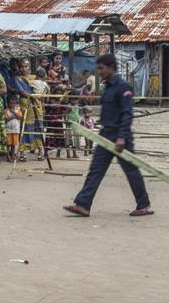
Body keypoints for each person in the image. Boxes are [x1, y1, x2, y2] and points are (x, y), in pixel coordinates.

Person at [63, 54, 152, 218]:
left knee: (131, 171)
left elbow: (127, 114)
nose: (99, 72)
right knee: (95, 170)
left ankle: (143, 204)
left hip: (120, 137)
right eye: (98, 68)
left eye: (102, 68)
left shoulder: (123, 87)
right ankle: (83, 205)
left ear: (112, 68)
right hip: (105, 135)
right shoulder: (107, 87)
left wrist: (122, 137)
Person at [12, 59, 44, 161]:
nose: (24, 69)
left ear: (29, 67)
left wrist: (38, 96)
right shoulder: (17, 79)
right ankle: (22, 153)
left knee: (38, 126)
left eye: (26, 66)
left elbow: (41, 88)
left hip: (36, 105)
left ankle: (41, 151)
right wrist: (34, 96)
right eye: (21, 66)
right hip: (26, 104)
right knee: (25, 127)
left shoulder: (34, 77)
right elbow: (22, 91)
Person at [45, 85, 68, 158]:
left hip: (59, 122)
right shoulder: (49, 101)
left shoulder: (62, 102)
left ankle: (58, 153)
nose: (58, 94)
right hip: (50, 121)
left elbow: (66, 111)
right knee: (49, 136)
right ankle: (46, 152)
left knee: (59, 137)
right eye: (57, 93)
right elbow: (46, 110)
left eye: (60, 93)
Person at [5, 96, 22, 163]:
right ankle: (8, 157)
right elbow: (5, 119)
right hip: (8, 130)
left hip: (15, 130)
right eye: (11, 103)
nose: (12, 105)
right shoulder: (6, 110)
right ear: (8, 104)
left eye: (14, 103)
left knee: (13, 145)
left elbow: (20, 116)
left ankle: (12, 156)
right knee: (8, 144)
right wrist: (12, 117)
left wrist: (14, 112)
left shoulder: (17, 110)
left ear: (16, 104)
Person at [66, 94, 81, 159]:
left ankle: (74, 153)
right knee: (68, 140)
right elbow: (65, 115)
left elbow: (77, 115)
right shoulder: (69, 106)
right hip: (69, 125)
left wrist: (78, 122)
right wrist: (66, 120)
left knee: (75, 140)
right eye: (73, 99)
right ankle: (68, 154)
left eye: (76, 99)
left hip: (75, 125)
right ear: (70, 99)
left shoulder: (76, 106)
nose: (74, 101)